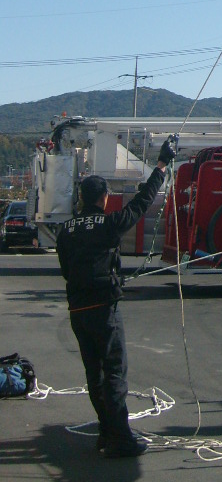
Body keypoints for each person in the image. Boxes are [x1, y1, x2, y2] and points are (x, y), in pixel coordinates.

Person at [56, 136, 176, 458]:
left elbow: (66, 271)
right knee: (114, 373)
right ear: (104, 198)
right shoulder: (109, 224)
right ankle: (120, 438)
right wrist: (161, 165)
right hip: (104, 310)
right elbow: (141, 204)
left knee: (94, 374)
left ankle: (106, 431)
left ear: (82, 198)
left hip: (77, 311)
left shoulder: (65, 231)